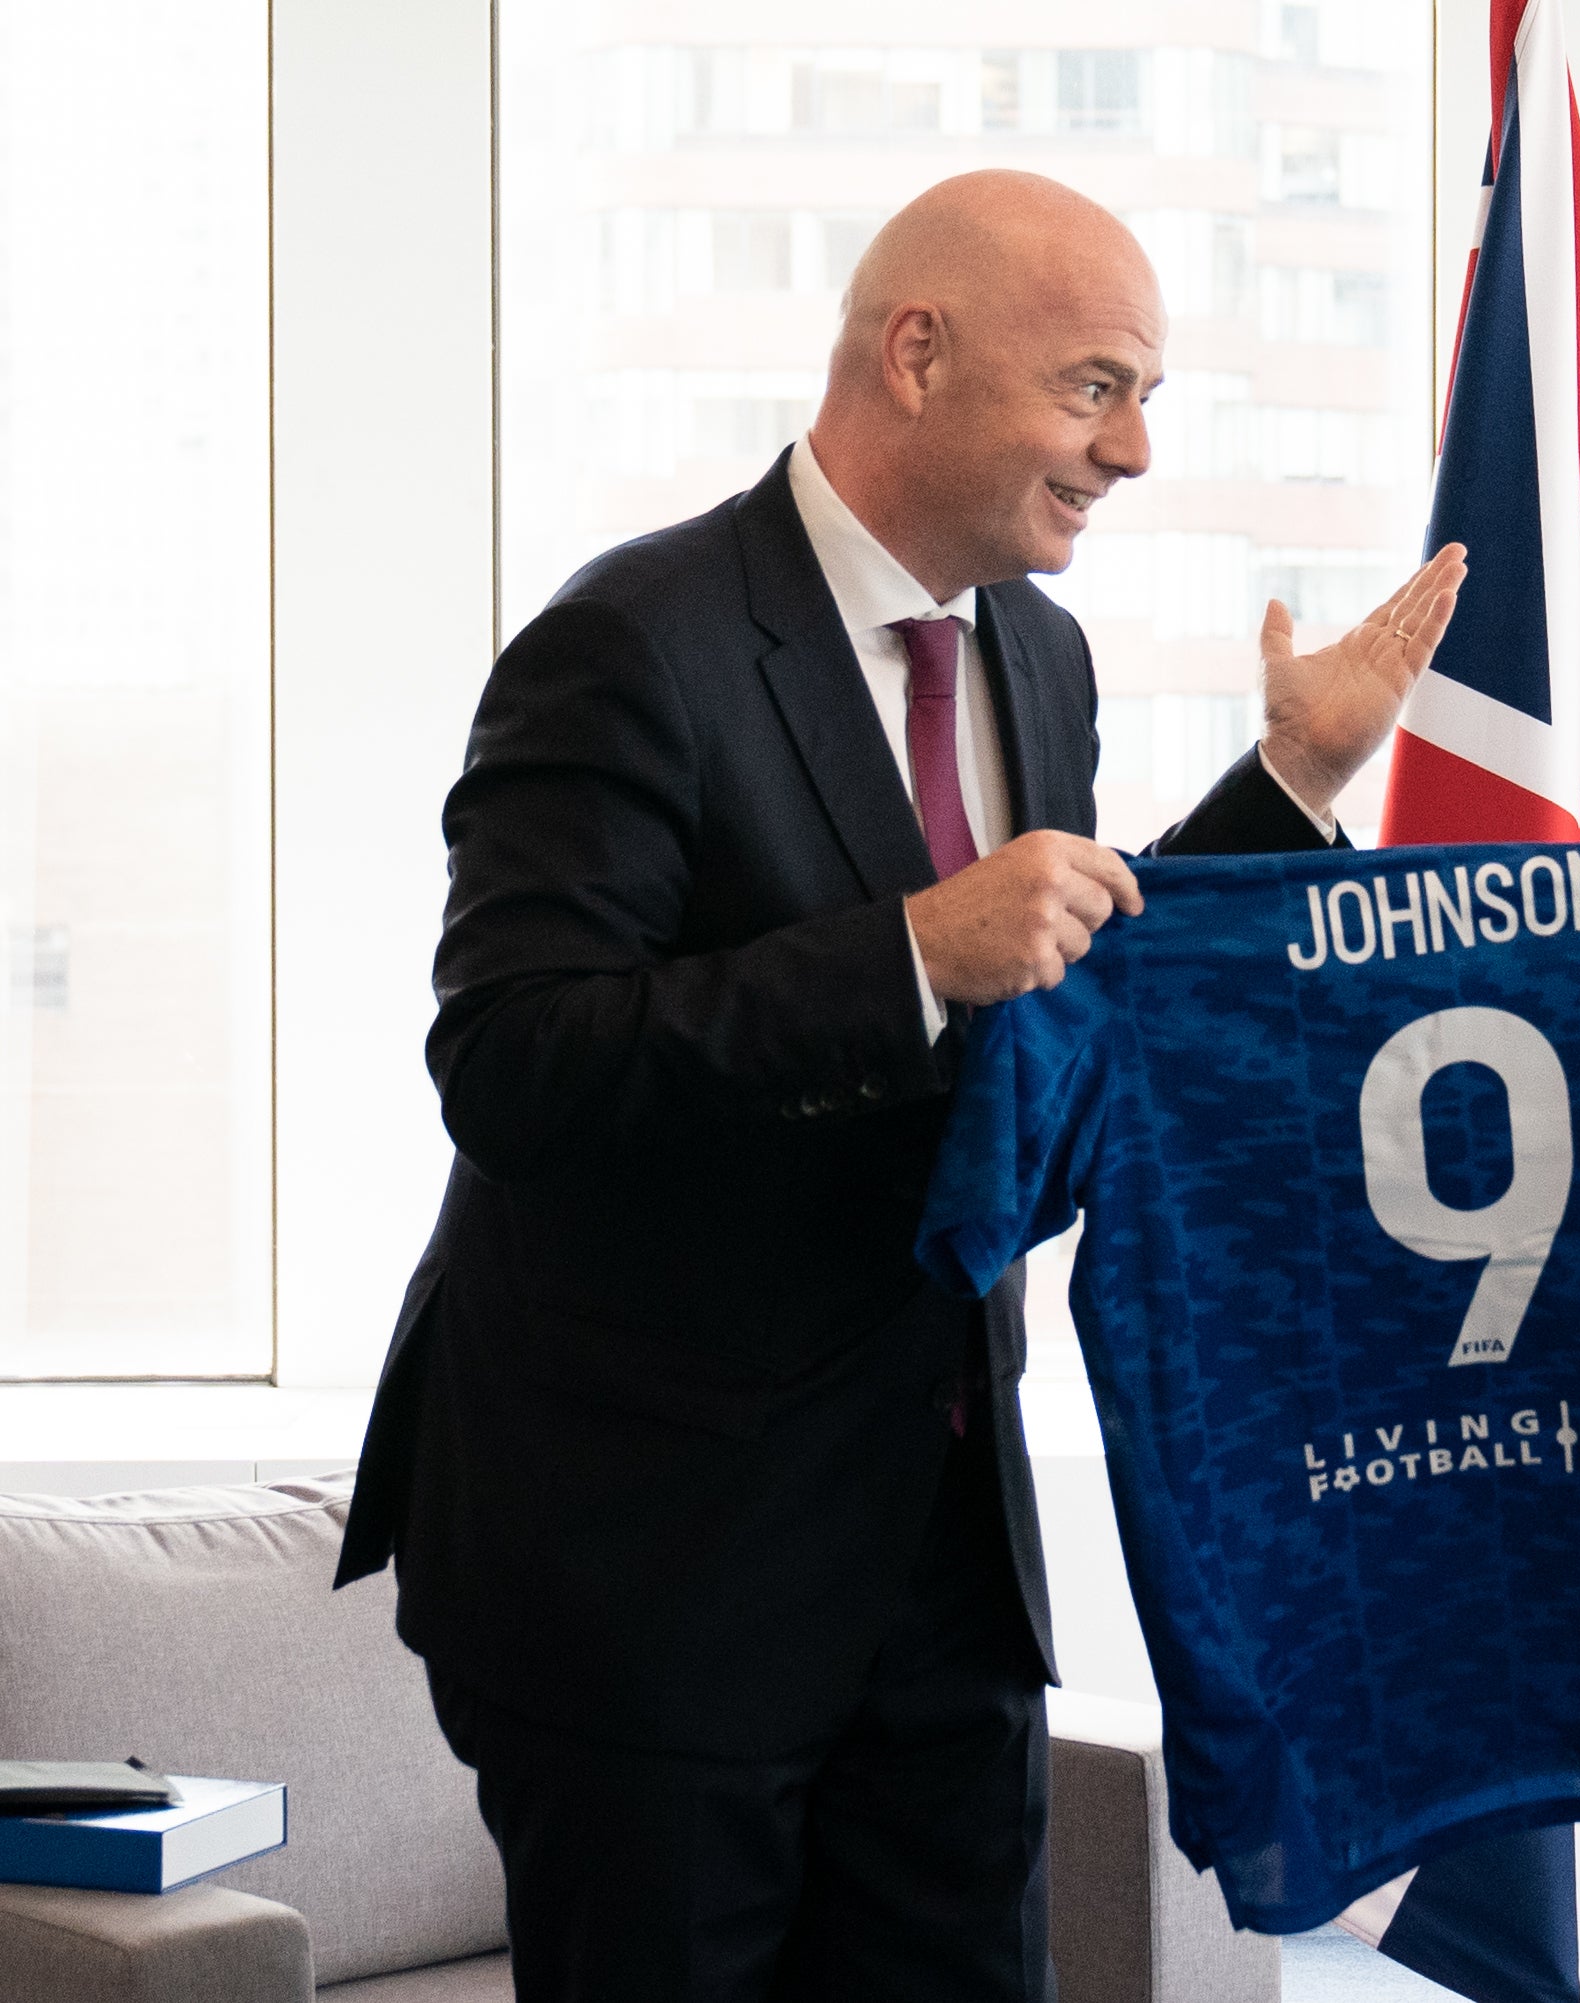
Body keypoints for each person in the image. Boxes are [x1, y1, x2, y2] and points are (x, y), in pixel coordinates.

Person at [332, 169, 1463, 2001]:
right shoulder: (632, 643)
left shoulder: (1041, 652)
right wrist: (910, 957)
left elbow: (1058, 1002)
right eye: (1098, 385)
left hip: (939, 1572)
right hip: (652, 1577)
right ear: (918, 354)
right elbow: (514, 1057)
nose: (1139, 450)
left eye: (1151, 397)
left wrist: (1291, 785)